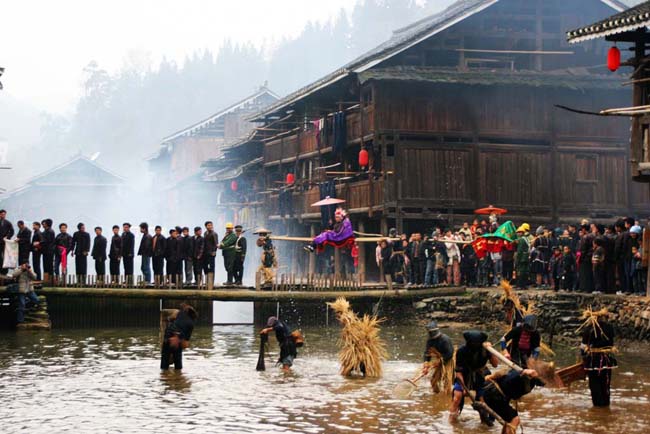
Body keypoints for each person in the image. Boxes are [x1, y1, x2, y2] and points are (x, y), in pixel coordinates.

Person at [450, 330, 499, 425]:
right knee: (457, 398)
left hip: (480, 376)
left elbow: (495, 364)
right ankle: (451, 422)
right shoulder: (462, 351)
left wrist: (491, 351)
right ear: (468, 342)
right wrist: (464, 387)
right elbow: (458, 372)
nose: (475, 345)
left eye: (477, 343)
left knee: (482, 402)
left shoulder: (485, 350)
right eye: (473, 343)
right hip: (464, 376)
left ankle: (484, 422)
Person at [482, 364, 546, 434]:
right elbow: (515, 375)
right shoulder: (520, 374)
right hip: (493, 394)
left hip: (493, 395)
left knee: (510, 419)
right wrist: (525, 372)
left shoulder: (528, 380)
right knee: (515, 419)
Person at [581, 310, 617, 407]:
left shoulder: (588, 328)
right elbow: (611, 343)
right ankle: (606, 405)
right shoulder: (609, 328)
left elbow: (583, 346)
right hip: (606, 359)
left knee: (594, 384)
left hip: (592, 361)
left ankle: (597, 407)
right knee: (605, 384)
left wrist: (583, 357)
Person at [160, 303, 198, 370]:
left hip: (168, 335)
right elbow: (185, 344)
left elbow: (171, 317)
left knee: (164, 365)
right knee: (178, 366)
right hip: (177, 338)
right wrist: (180, 341)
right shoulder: (191, 324)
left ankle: (163, 377)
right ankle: (178, 377)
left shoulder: (179, 313)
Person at [423, 321, 454, 393]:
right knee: (433, 381)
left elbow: (450, 353)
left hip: (448, 361)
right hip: (439, 360)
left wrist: (440, 361)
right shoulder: (430, 340)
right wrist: (426, 363)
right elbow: (427, 353)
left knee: (447, 380)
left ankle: (447, 396)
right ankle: (437, 394)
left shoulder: (445, 339)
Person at [514, 224, 532, 289]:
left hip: (522, 258)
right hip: (526, 257)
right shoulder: (526, 238)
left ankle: (520, 285)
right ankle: (524, 285)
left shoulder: (521, 240)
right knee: (525, 272)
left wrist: (517, 260)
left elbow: (519, 251)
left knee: (520, 272)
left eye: (518, 232)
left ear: (521, 233)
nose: (517, 234)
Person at [203, 221, 219, 287]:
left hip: (211, 253)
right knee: (205, 266)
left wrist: (214, 251)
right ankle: (207, 280)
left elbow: (216, 244)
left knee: (212, 267)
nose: (210, 226)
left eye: (211, 225)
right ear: (206, 226)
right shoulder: (205, 233)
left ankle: (211, 282)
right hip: (205, 253)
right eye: (208, 225)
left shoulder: (214, 234)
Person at [41, 219, 55, 283]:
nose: (43, 224)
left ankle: (50, 280)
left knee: (49, 265)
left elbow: (48, 241)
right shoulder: (45, 231)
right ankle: (46, 279)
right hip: (45, 251)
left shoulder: (50, 231)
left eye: (44, 223)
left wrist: (39, 243)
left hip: (49, 251)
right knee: (45, 265)